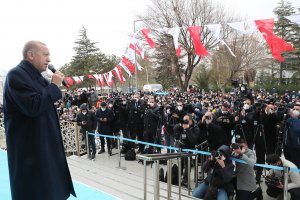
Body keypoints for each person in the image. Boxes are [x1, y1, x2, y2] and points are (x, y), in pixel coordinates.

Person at [3, 40, 76, 200]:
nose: (49, 59)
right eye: (45, 55)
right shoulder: (16, 75)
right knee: (36, 191)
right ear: (30, 55)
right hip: (30, 149)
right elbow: (33, 106)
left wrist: (54, 86)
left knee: (51, 189)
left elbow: (50, 97)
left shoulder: (37, 77)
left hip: (44, 144)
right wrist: (54, 86)